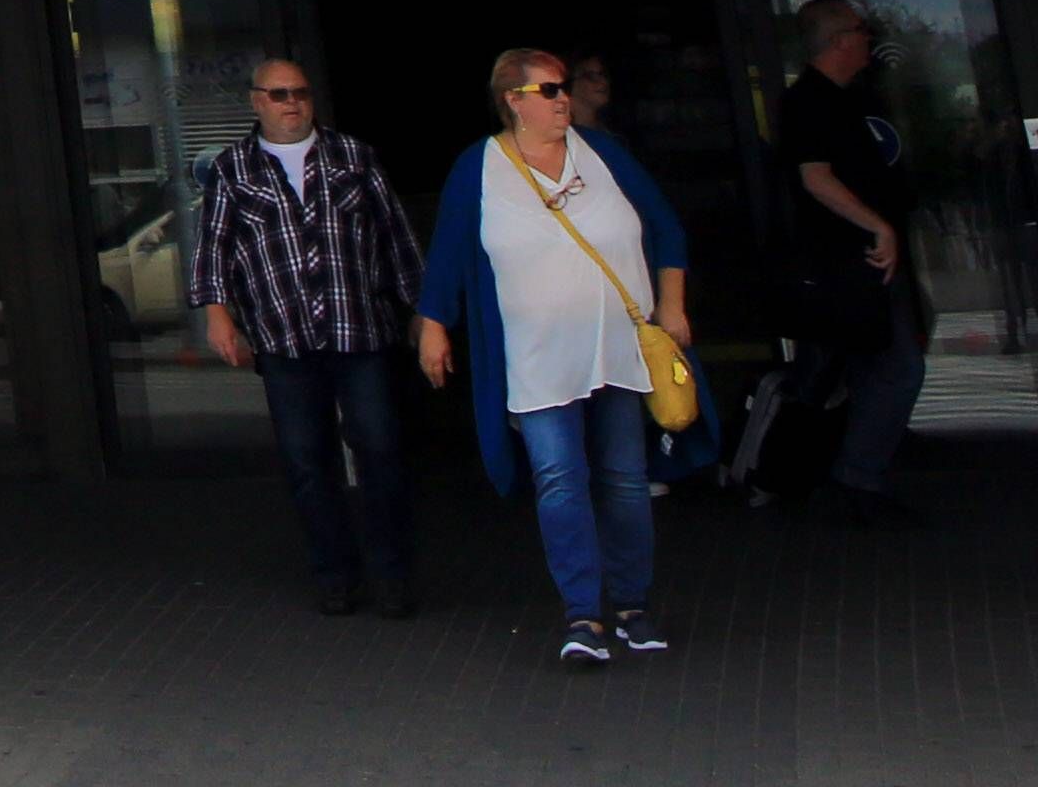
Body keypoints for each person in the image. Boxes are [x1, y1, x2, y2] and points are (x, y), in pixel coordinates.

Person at [416, 45, 691, 670]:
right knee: (560, 480)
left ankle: (632, 605)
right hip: (538, 356)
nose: (563, 98)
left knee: (623, 479)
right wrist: (433, 326)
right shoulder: (478, 167)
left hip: (618, 347)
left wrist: (672, 307)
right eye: (549, 91)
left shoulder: (605, 154)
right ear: (513, 100)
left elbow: (668, 229)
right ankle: (582, 617)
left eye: (564, 87)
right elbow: (450, 253)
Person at [189, 54, 424, 615]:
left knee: (380, 448)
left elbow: (396, 236)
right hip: (283, 337)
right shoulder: (232, 169)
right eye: (278, 94)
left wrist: (423, 309)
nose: (291, 103)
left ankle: (392, 576)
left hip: (358, 329)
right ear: (255, 101)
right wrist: (217, 312)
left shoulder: (353, 157)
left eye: (300, 92)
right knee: (305, 460)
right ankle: (335, 574)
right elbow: (213, 247)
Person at [762, 0, 936, 524]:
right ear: (840, 39)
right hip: (847, 262)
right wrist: (876, 225)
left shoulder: (849, 98)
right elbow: (814, 177)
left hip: (868, 258)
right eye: (861, 30)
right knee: (896, 367)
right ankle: (853, 475)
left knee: (861, 367)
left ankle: (841, 473)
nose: (869, 39)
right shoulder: (808, 102)